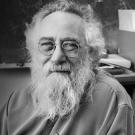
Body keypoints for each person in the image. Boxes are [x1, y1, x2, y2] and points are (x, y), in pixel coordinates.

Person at [0, 0, 134, 135]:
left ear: (91, 53)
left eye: (70, 45)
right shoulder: (15, 103)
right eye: (47, 45)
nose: (57, 57)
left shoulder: (112, 100)